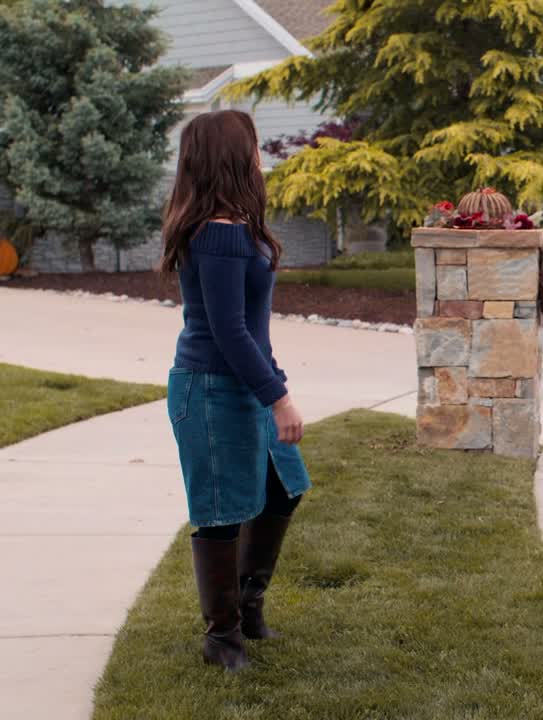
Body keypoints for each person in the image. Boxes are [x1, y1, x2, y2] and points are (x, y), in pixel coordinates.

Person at [160, 110, 311, 672]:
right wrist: (279, 398)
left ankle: (247, 606)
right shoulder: (218, 235)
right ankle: (222, 636)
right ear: (231, 156)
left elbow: (250, 329)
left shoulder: (231, 226)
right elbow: (228, 330)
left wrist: (272, 382)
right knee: (221, 509)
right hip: (210, 388)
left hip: (240, 380)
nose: (259, 156)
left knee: (283, 487)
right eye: (252, 146)